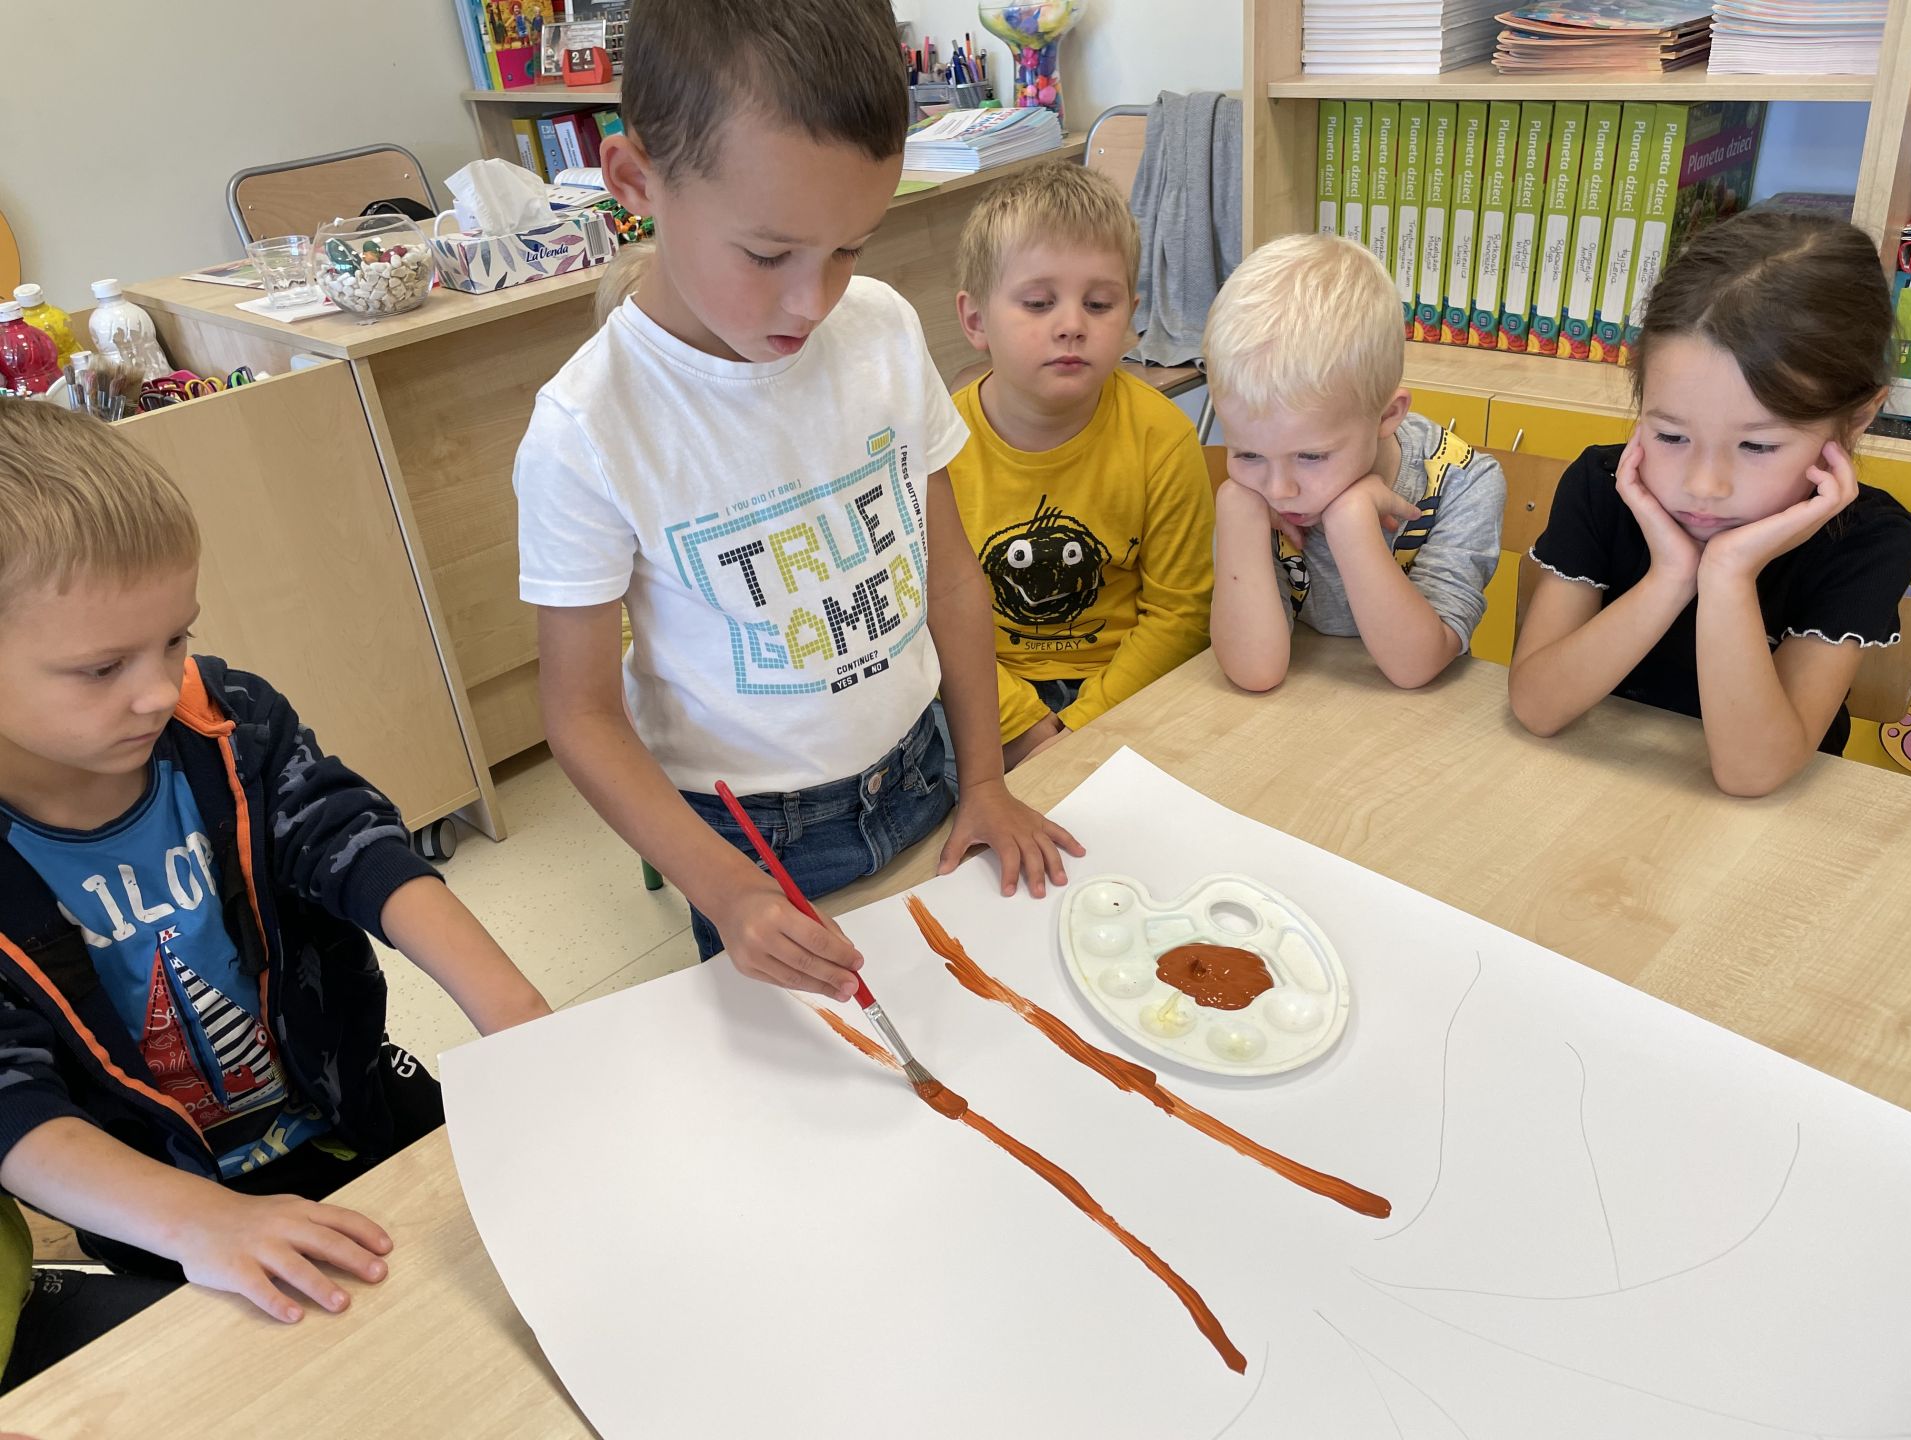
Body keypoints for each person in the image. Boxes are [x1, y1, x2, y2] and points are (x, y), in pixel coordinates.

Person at [514, 0, 1081, 1001]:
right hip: (758, 841)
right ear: (636, 183)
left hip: (931, 764)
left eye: (850, 248)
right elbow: (584, 715)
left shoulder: (882, 329)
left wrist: (987, 776)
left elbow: (949, 574)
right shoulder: (586, 428)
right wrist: (726, 890)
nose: (813, 302)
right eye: (769, 255)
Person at [0, 402, 550, 1379]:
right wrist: (197, 1222)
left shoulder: (229, 721)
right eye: (101, 668)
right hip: (163, 1203)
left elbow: (356, 846)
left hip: (358, 1102)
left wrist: (515, 1013)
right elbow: (13, 1109)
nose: (158, 691)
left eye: (175, 639)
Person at [1510, 209, 1911, 796]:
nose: (1703, 485)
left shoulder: (1869, 540)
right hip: (1596, 781)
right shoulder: (1603, 486)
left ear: (1856, 419)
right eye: (1670, 435)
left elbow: (1752, 772)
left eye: (1757, 445)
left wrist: (1727, 574)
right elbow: (1537, 706)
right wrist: (1672, 575)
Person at [947, 160, 1213, 772]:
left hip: (1126, 685)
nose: (1071, 325)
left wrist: (1082, 726)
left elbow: (1180, 616)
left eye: (1098, 303)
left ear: (1131, 317)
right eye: (1039, 303)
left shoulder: (1162, 438)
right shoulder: (935, 447)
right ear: (976, 320)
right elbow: (925, 616)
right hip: (981, 691)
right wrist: (1020, 724)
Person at [1206, 234, 1506, 692]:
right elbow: (1255, 670)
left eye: (1311, 456)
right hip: (1302, 708)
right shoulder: (1250, 493)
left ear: (1387, 415)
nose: (1280, 490)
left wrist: (1351, 521)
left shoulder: (1463, 482)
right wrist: (1236, 510)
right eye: (1247, 454)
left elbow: (1415, 667)